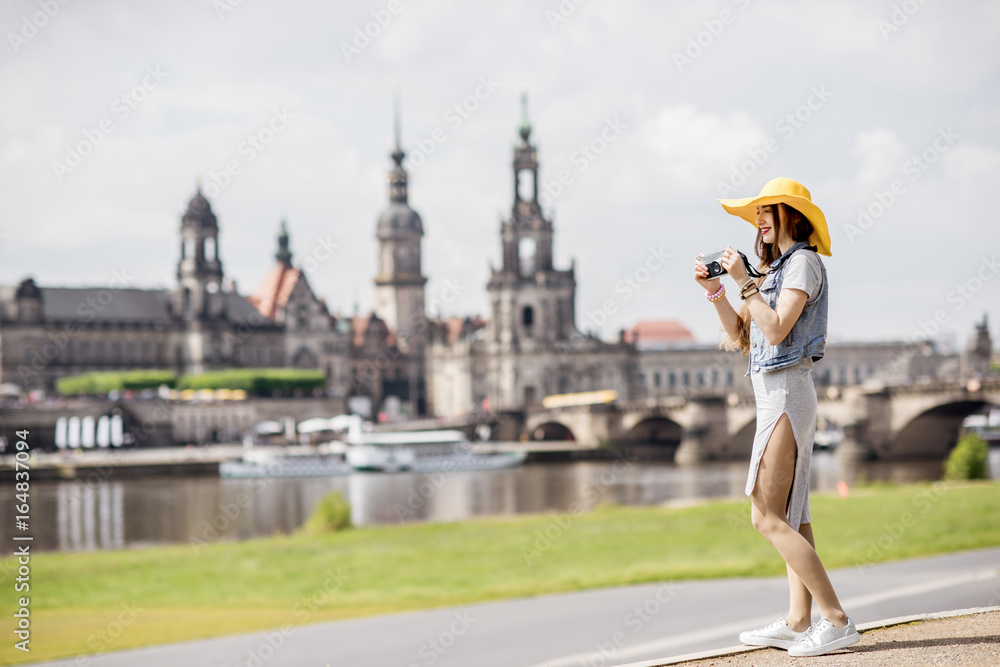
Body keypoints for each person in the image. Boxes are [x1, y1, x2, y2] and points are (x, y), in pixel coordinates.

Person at [693, 177, 859, 658]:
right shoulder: (775, 270)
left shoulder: (804, 263)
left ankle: (838, 620)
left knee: (765, 516)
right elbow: (746, 335)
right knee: (791, 517)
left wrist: (745, 279)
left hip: (787, 392)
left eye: (769, 210)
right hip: (775, 394)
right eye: (758, 212)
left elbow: (779, 328)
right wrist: (718, 291)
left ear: (794, 216)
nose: (760, 219)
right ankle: (797, 620)